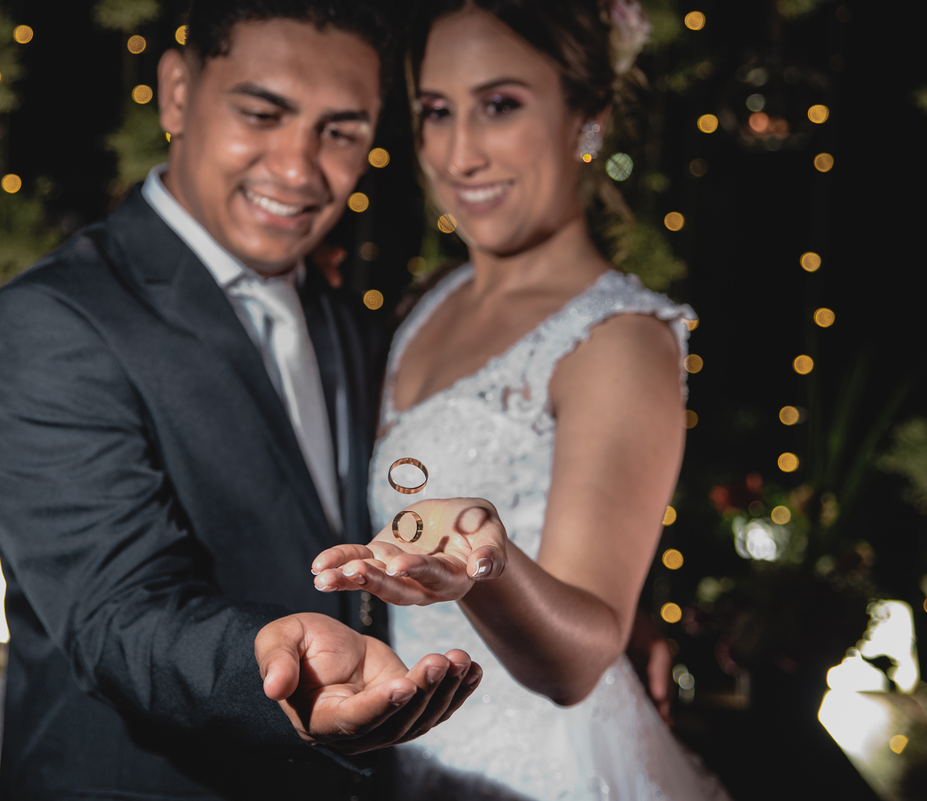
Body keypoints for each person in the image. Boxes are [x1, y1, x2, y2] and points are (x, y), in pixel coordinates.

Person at [0, 2, 483, 799]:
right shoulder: (47, 321)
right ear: (176, 93)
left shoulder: (343, 315)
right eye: (261, 114)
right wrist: (270, 665)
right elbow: (117, 611)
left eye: (340, 132)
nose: (299, 169)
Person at [309, 1, 733, 798]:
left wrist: (482, 570)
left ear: (587, 116)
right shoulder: (430, 303)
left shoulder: (619, 338)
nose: (460, 154)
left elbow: (576, 665)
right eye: (437, 112)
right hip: (411, 750)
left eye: (500, 105)